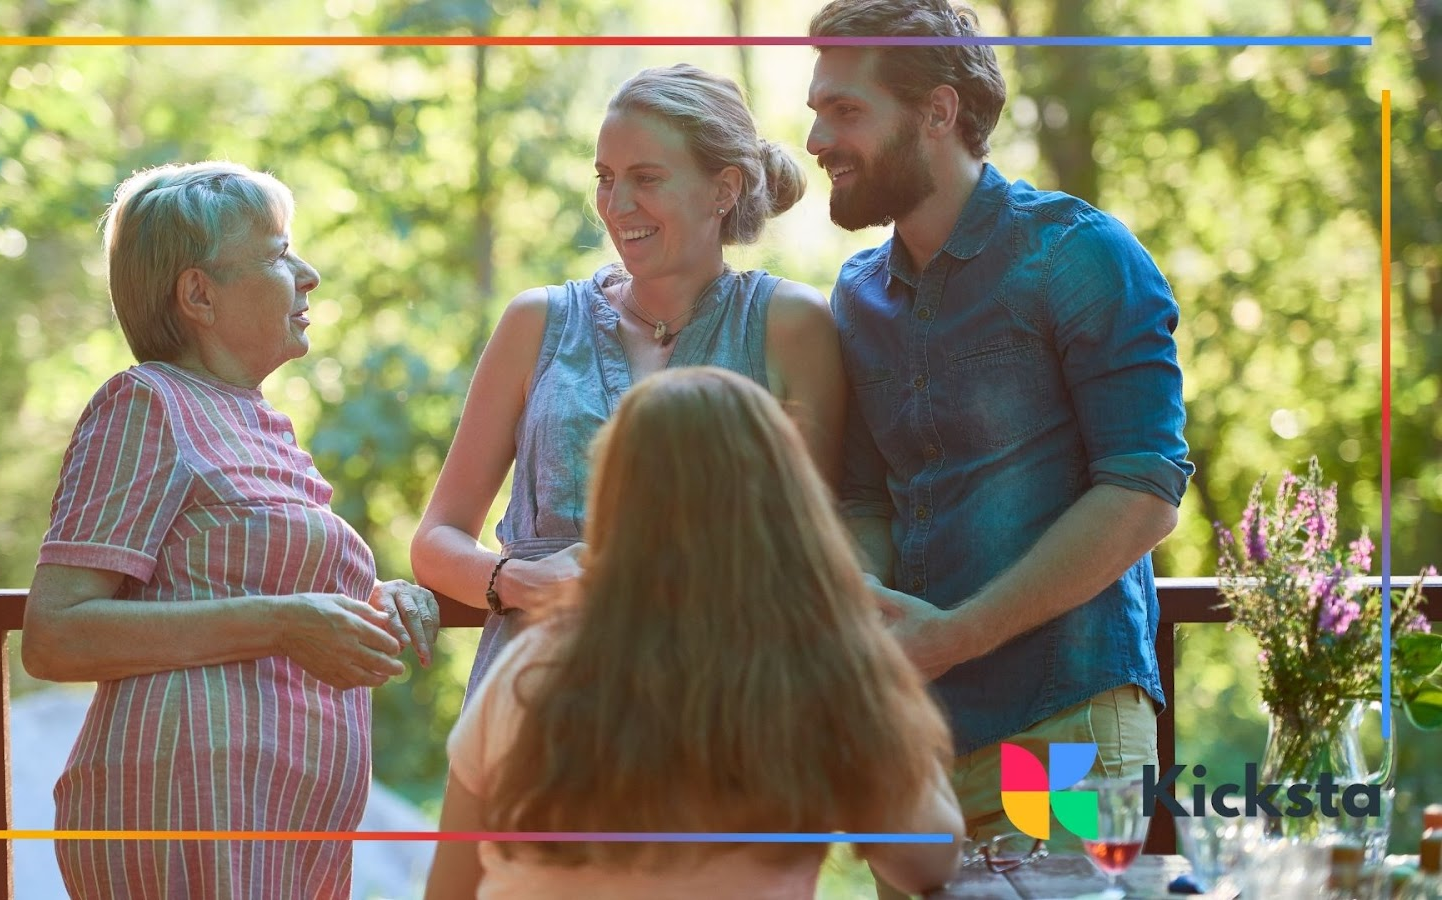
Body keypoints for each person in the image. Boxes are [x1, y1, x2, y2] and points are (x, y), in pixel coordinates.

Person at [805, 0, 1195, 876]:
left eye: (846, 110)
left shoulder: (1080, 254)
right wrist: (869, 612)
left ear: (938, 112)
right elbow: (865, 495)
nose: (819, 136)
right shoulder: (857, 294)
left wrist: (957, 634)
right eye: (817, 110)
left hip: (1063, 730)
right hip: (913, 749)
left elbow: (1143, 491)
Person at [22, 161, 440, 899]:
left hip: (280, 831)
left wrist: (380, 595)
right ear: (198, 294)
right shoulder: (146, 404)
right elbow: (56, 633)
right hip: (188, 819)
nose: (307, 275)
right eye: (280, 255)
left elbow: (249, 578)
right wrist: (279, 624)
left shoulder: (255, 422)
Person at [423, 366, 963, 899]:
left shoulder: (531, 665)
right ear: (785, 505)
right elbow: (929, 857)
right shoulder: (823, 668)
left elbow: (448, 892)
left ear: (617, 504)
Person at [411, 65, 844, 721]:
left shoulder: (791, 326)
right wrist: (517, 580)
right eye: (606, 179)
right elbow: (436, 538)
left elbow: (818, 548)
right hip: (534, 712)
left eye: (646, 179)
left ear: (723, 189)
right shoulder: (537, 323)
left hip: (722, 717)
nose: (616, 205)